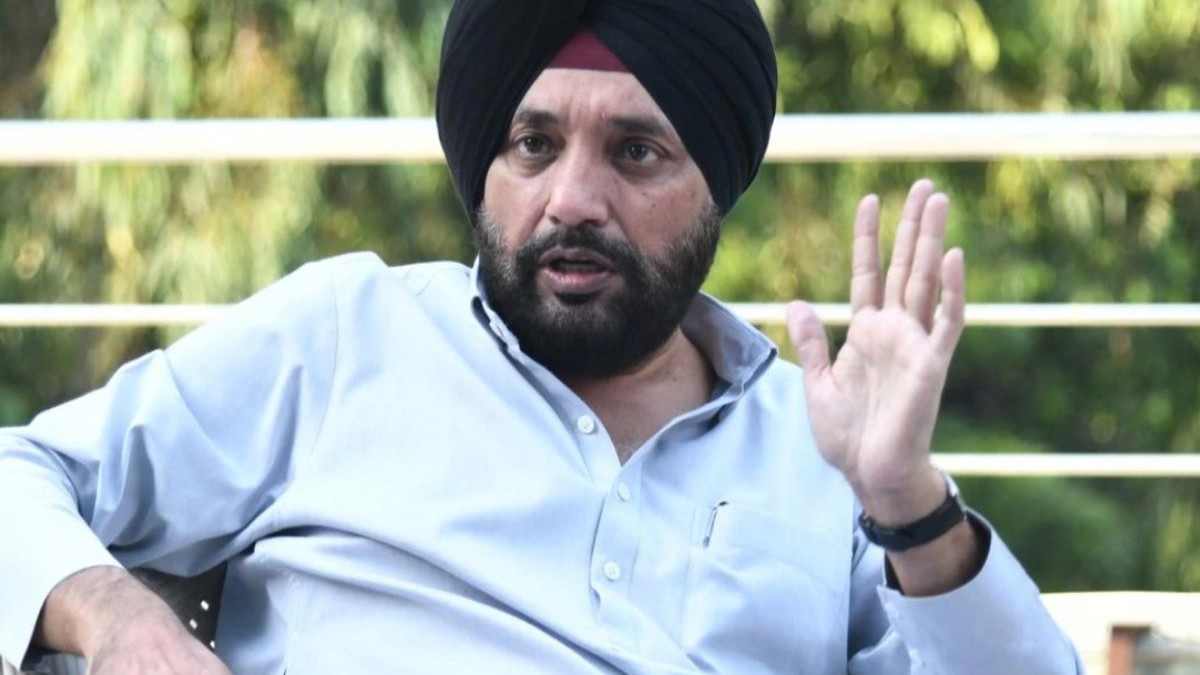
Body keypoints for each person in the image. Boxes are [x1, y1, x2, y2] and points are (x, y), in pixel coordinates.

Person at [0, 1, 1082, 673]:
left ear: (717, 186)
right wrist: (113, 616)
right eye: (533, 144)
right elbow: (21, 474)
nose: (572, 199)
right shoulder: (347, 336)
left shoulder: (827, 451)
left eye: (636, 152)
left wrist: (907, 502)